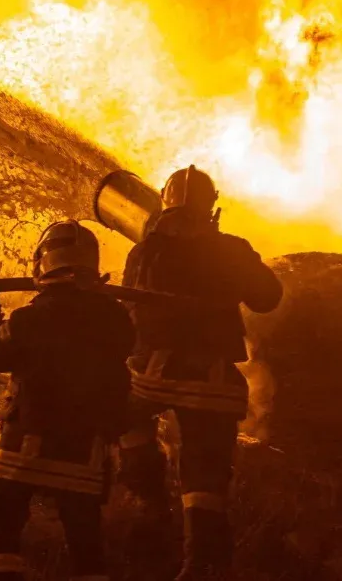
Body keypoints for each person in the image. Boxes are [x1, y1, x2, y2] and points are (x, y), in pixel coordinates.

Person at [118, 165, 283, 580]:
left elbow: (131, 316)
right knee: (204, 478)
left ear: (164, 203)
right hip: (211, 383)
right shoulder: (231, 248)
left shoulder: (143, 251)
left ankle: (149, 501)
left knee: (122, 414)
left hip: (150, 377)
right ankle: (201, 565)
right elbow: (267, 298)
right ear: (211, 207)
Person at [0, 220, 136, 581]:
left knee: (2, 508)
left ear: (42, 263)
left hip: (26, 443)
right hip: (87, 450)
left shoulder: (31, 317)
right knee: (85, 540)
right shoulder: (116, 318)